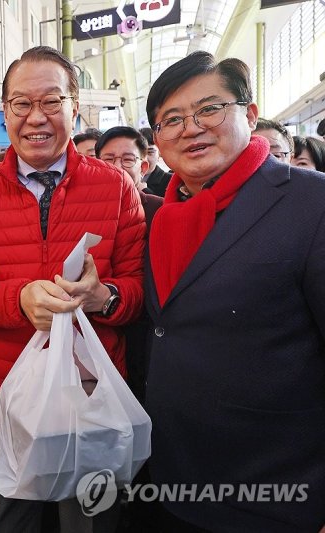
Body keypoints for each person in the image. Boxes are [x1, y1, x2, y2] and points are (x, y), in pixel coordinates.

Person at [0, 45, 145, 533]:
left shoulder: (116, 187)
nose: (36, 117)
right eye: (21, 104)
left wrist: (104, 298)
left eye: (52, 102)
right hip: (6, 393)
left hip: (89, 390)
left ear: (74, 108)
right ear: (5, 112)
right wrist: (21, 300)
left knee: (90, 520)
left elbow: (141, 289)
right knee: (4, 519)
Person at [144, 51, 325, 531]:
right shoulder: (164, 217)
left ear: (248, 113)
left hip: (279, 492)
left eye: (208, 109)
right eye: (171, 120)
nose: (191, 128)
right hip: (176, 482)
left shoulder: (312, 202)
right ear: (158, 142)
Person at [95, 126, 163, 228]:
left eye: (127, 159)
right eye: (109, 159)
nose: (117, 167)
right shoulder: (80, 208)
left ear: (143, 168)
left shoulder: (159, 209)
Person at [139, 127, 173, 197]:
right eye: (140, 153)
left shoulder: (171, 181)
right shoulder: (123, 179)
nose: (144, 159)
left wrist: (145, 190)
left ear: (160, 153)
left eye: (150, 152)